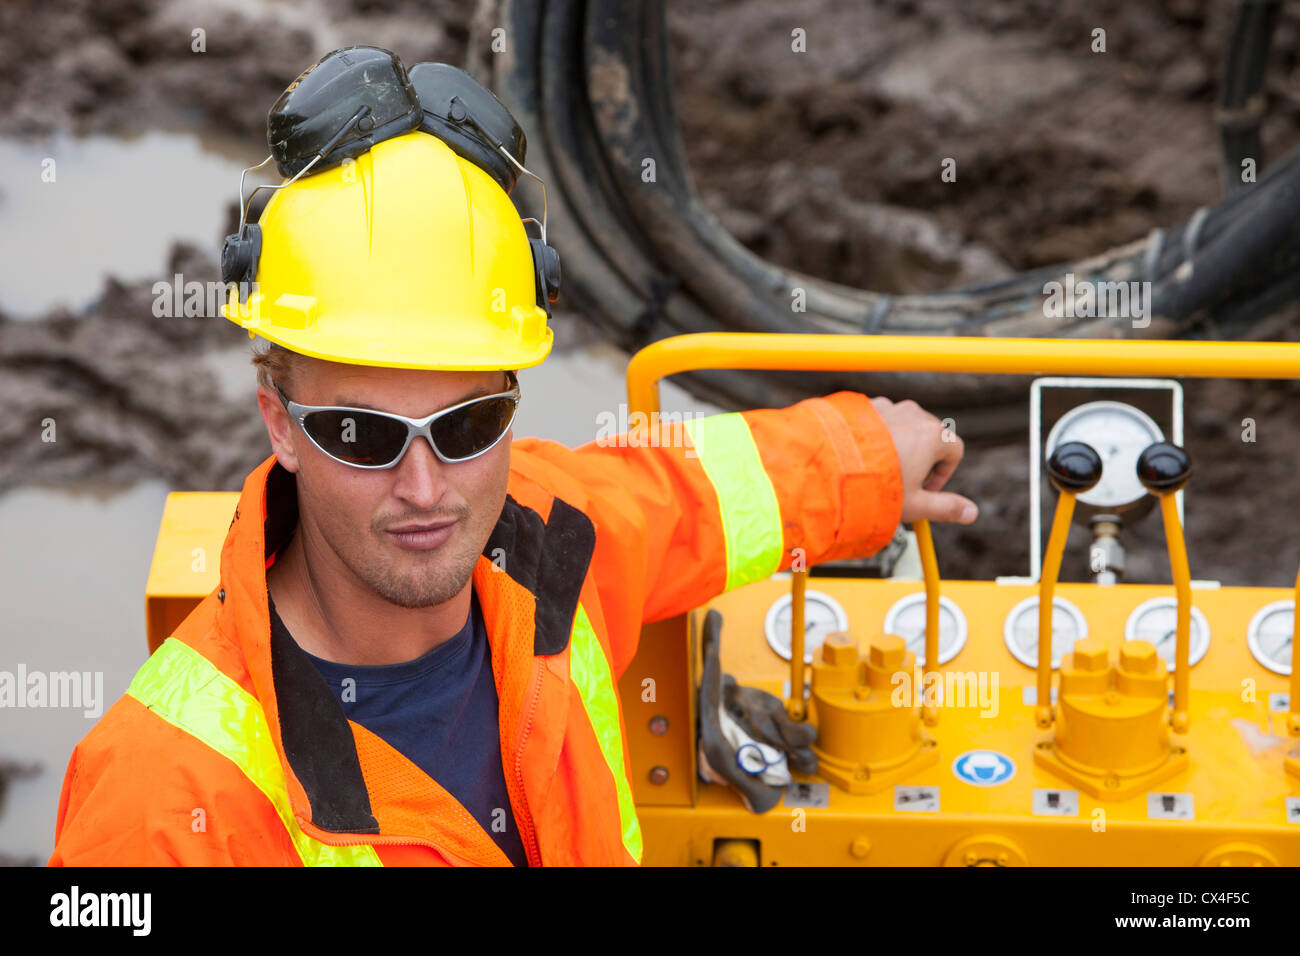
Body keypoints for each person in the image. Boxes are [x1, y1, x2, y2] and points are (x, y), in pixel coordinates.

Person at [48, 49, 976, 867]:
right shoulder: (160, 805)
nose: (425, 489)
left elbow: (694, 492)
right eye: (362, 436)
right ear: (280, 425)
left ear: (511, 411)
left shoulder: (548, 542)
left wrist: (867, 458)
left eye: (467, 426)